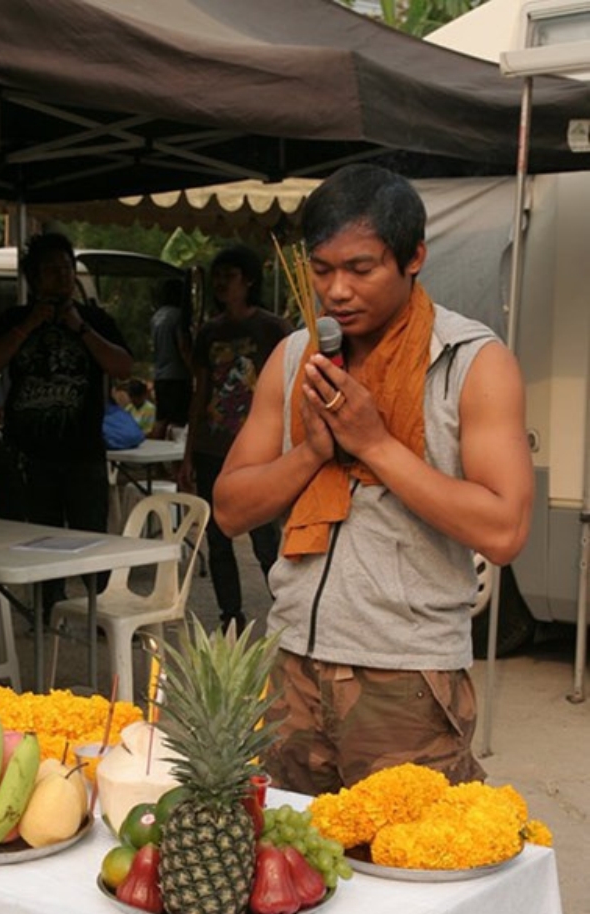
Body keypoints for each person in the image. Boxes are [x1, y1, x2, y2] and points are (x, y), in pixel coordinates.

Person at [213, 165, 534, 794]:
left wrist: (375, 444)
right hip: (291, 671)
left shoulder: (471, 363)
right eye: (322, 268)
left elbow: (504, 530)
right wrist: (310, 454)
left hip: (406, 677)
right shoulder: (295, 357)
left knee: (410, 880)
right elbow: (228, 509)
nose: (337, 291)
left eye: (361, 269)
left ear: (414, 257)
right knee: (292, 873)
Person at [0, 232, 132, 614]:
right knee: (38, 542)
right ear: (33, 277)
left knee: (92, 539)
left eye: (66, 269)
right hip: (30, 456)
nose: (61, 278)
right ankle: (46, 613)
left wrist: (79, 327)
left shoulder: (94, 319)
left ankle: (102, 613)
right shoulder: (14, 318)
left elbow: (123, 367)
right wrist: (29, 325)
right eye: (50, 271)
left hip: (83, 454)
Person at [180, 245, 291, 635]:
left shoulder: (273, 328)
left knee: (265, 536)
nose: (223, 283)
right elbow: (200, 391)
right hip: (213, 446)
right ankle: (231, 617)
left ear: (249, 280)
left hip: (261, 448)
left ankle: (288, 609)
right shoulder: (209, 332)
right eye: (219, 276)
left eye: (230, 275)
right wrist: (188, 452)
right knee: (218, 535)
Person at [151, 276, 193, 437]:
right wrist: (193, 369)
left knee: (161, 418)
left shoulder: (157, 316)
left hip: (160, 374)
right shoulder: (178, 316)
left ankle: (155, 457)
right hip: (177, 375)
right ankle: (174, 459)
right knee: (177, 421)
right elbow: (182, 346)